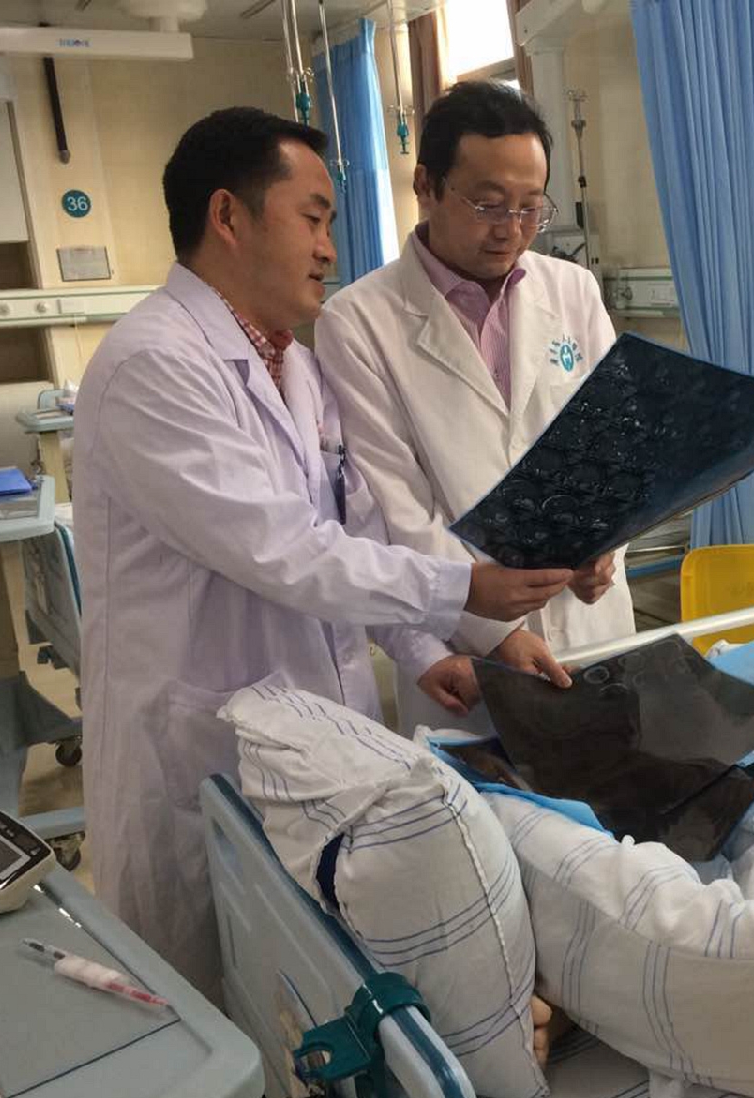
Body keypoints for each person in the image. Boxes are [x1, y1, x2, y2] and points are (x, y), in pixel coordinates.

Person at [73, 107, 574, 1001]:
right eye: (312, 218)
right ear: (228, 216)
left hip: (318, 741)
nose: (328, 249)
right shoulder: (153, 364)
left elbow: (357, 531)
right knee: (210, 1001)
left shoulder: (294, 368)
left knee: (306, 991)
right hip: (200, 751)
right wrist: (465, 587)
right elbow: (283, 550)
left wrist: (427, 651)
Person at [315, 81, 635, 733]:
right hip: (469, 657)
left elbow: (617, 447)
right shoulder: (357, 322)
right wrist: (496, 632)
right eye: (488, 205)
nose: (511, 230)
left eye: (530, 207)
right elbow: (394, 505)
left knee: (615, 781)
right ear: (426, 186)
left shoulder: (572, 291)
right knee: (479, 795)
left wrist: (608, 550)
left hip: (593, 627)